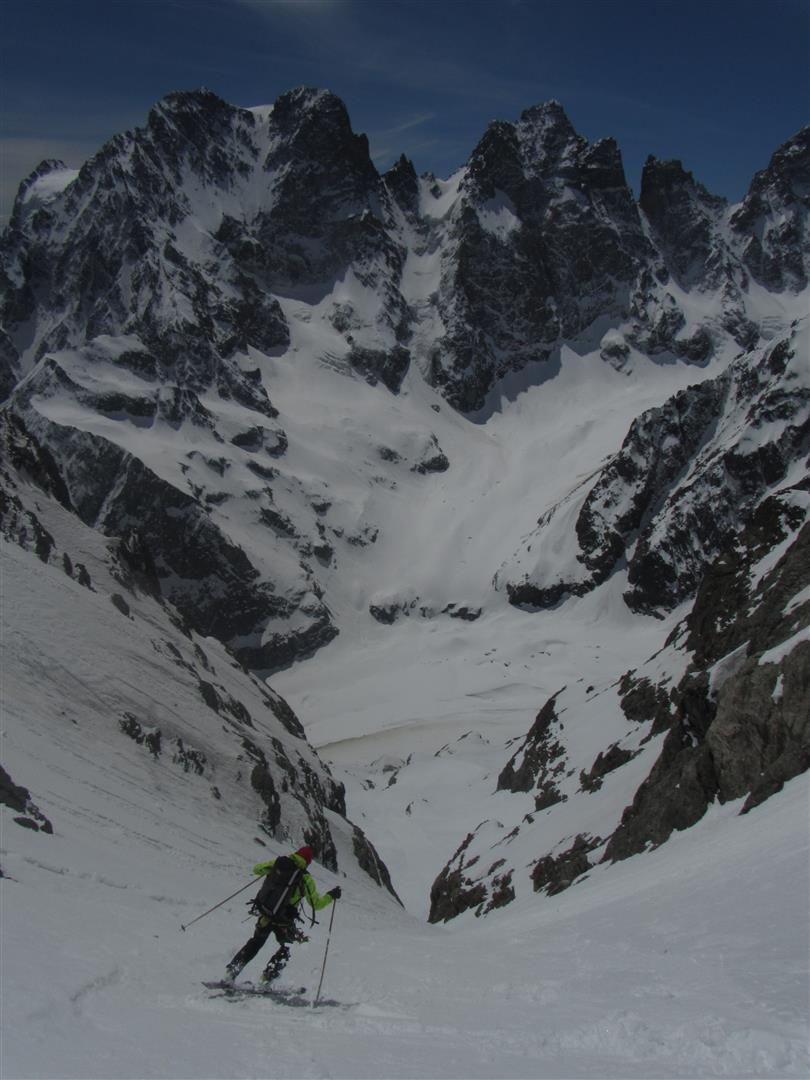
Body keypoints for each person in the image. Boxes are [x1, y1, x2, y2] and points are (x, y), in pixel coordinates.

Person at [224, 846, 341, 985]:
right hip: (284, 921)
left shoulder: (279, 863)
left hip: (266, 914)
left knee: (255, 943)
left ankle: (232, 972)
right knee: (286, 948)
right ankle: (267, 978)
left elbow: (256, 869)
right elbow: (316, 904)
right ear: (308, 862)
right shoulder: (305, 877)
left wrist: (272, 872)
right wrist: (331, 895)